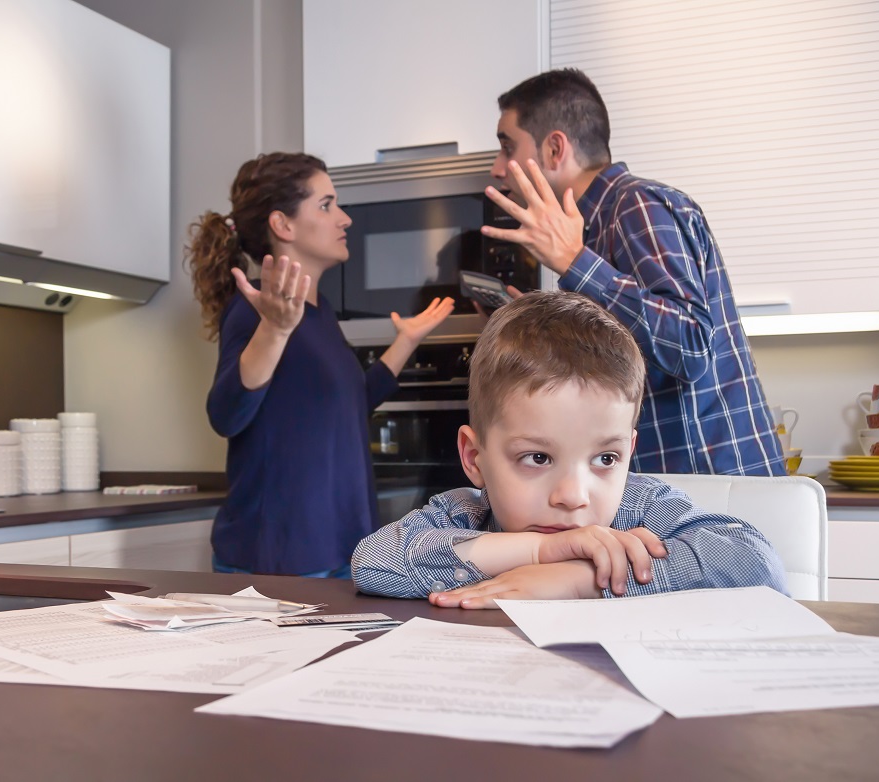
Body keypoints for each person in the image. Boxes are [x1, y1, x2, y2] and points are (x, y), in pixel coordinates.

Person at [351, 291, 788, 607]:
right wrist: (538, 553)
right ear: (473, 458)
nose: (573, 495)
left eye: (605, 459)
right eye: (538, 458)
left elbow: (758, 562)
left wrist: (582, 581)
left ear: (629, 454)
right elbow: (372, 561)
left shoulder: (641, 509)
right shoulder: (464, 512)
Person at [481, 68, 784, 476]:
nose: (498, 168)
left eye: (507, 147)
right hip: (669, 488)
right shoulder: (588, 228)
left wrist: (575, 262)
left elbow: (691, 344)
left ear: (555, 149)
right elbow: (620, 362)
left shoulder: (635, 205)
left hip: (713, 487)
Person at [186, 152, 455, 577]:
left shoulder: (321, 312)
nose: (344, 219)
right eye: (326, 205)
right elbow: (226, 413)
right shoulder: (255, 309)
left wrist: (406, 342)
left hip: (340, 549)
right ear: (283, 225)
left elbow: (348, 405)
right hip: (281, 559)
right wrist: (274, 329)